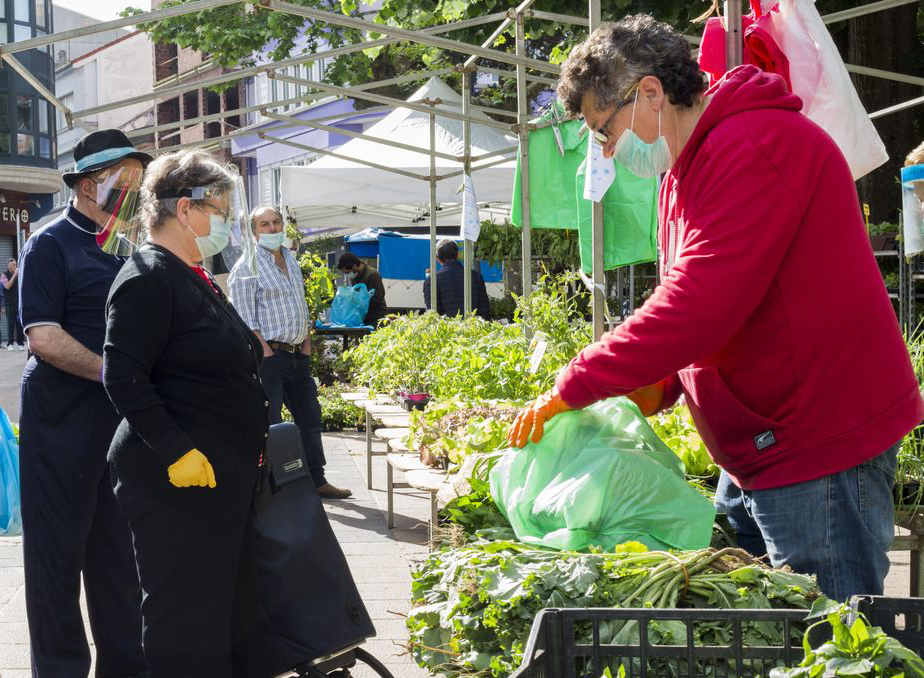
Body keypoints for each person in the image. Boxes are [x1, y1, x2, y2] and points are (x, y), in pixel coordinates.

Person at [508, 15, 924, 602]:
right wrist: (663, 381)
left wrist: (576, 381)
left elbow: (700, 301)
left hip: (817, 442)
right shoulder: (689, 168)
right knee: (771, 632)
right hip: (764, 442)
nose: (604, 148)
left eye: (603, 129)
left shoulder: (752, 146)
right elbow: (709, 296)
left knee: (834, 636)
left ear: (649, 93)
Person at [103, 149, 277, 677]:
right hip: (176, 481)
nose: (225, 221)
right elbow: (124, 376)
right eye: (220, 209)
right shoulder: (147, 278)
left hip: (217, 480)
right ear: (185, 210)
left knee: (220, 614)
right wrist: (178, 451)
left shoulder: (189, 273)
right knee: (185, 622)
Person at [18, 129, 148, 678]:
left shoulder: (129, 247)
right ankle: (62, 669)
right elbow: (43, 336)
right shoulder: (50, 242)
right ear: (93, 183)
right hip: (61, 419)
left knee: (120, 557)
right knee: (57, 559)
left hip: (119, 424)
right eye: (129, 181)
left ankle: (127, 666)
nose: (137, 192)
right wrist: (113, 372)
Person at [229, 206, 351, 499]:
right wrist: (267, 353)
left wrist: (306, 346)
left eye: (275, 223)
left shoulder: (291, 260)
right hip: (270, 357)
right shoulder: (247, 266)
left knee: (309, 417)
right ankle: (269, 483)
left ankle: (317, 479)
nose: (272, 229)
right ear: (254, 231)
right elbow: (244, 319)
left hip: (298, 355)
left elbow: (300, 304)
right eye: (264, 224)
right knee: (269, 423)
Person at [422, 239, 491, 320]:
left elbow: (432, 313)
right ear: (457, 255)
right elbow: (484, 308)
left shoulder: (432, 280)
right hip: (473, 328)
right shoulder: (476, 276)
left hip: (446, 330)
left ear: (437, 258)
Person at [337, 251, 388, 326]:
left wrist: (360, 303)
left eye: (347, 273)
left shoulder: (372, 275)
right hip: (363, 318)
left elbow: (377, 297)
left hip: (376, 318)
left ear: (354, 266)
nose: (347, 275)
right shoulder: (355, 276)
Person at [1, 258, 24, 350]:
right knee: (10, 324)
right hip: (9, 304)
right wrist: (14, 275)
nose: (15, 266)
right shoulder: (3, 275)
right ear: (8, 266)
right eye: (13, 265)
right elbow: (7, 286)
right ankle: (10, 344)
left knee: (19, 324)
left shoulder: (20, 274)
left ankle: (20, 343)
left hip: (19, 303)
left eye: (15, 264)